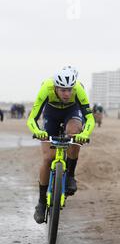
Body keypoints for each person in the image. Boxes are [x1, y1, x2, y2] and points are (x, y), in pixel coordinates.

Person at [27, 67, 95, 224]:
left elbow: (90, 119)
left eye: (69, 89)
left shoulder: (78, 90)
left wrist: (84, 134)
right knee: (48, 158)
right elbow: (32, 118)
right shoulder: (46, 88)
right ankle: (41, 203)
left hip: (72, 112)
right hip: (51, 113)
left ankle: (70, 174)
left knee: (75, 133)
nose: (67, 93)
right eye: (63, 90)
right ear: (55, 87)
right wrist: (38, 132)